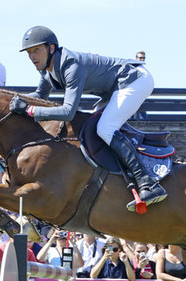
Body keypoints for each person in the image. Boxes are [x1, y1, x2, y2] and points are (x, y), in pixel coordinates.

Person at [11, 26, 165, 211]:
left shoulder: (71, 65)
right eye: (29, 52)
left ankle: (148, 183)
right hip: (115, 88)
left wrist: (29, 110)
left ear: (51, 48)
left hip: (135, 80)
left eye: (36, 50)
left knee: (105, 128)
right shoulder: (46, 69)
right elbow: (39, 96)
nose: (32, 56)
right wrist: (13, 101)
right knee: (94, 127)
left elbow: (68, 111)